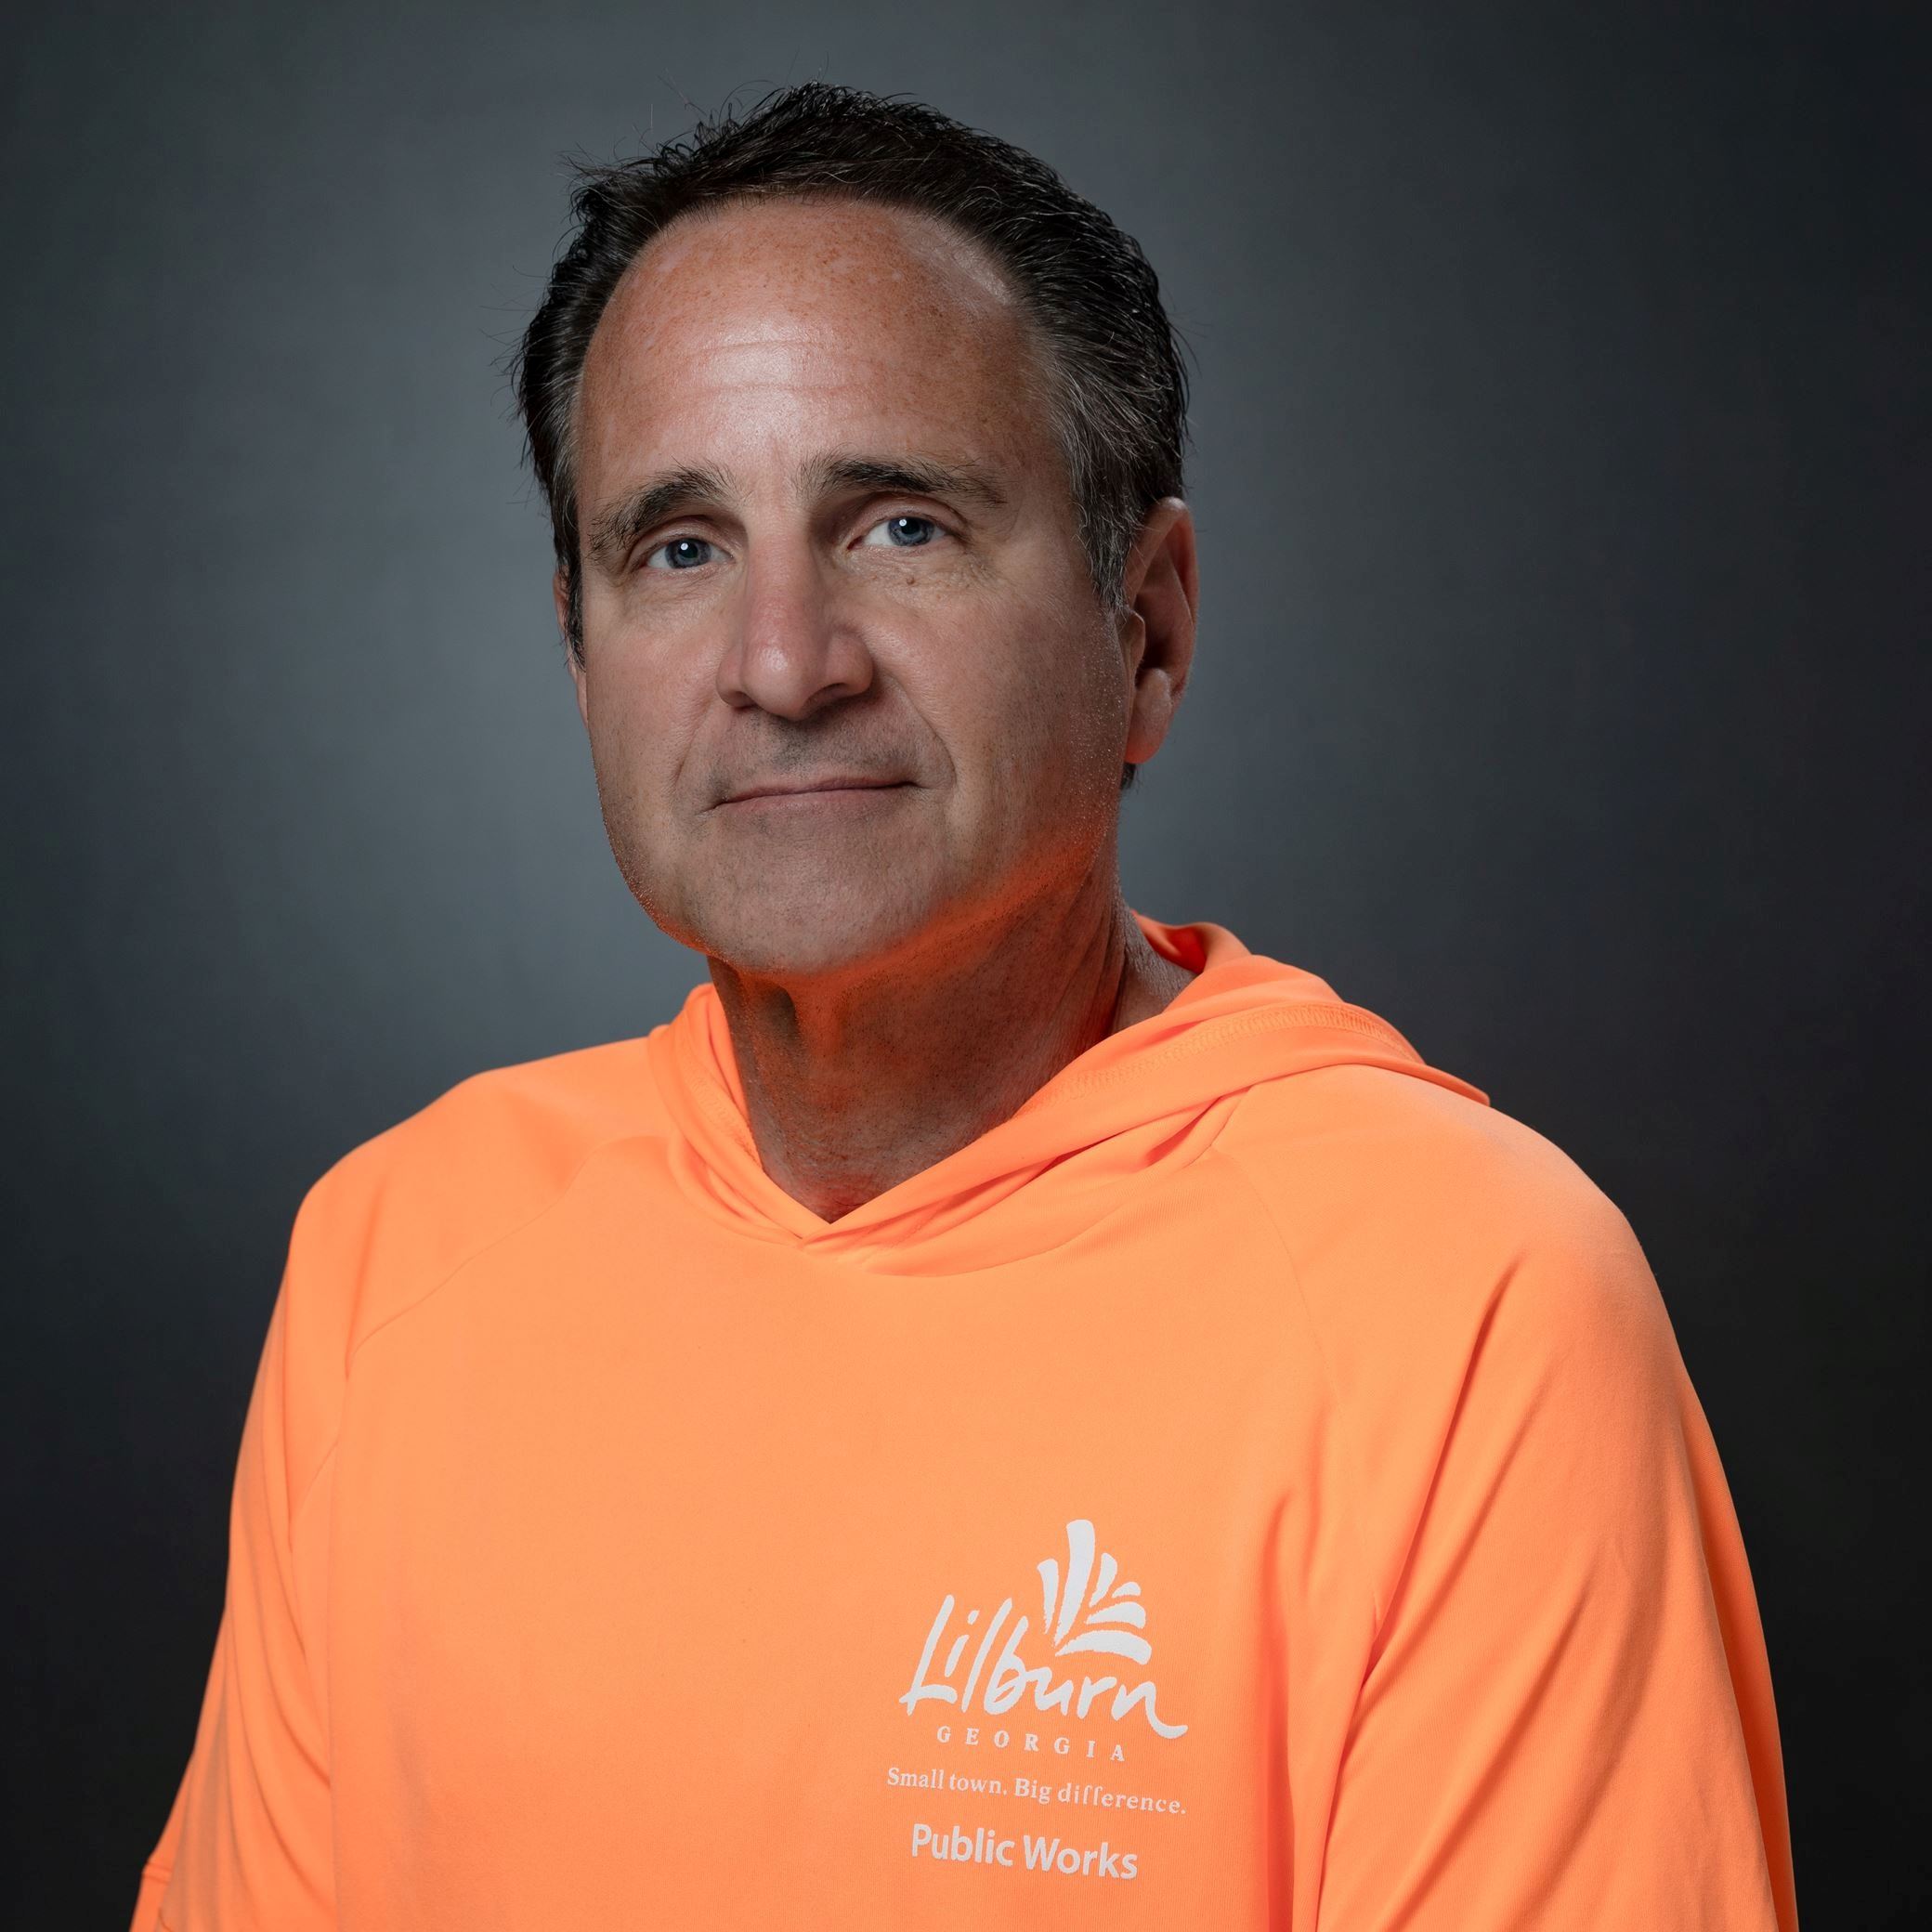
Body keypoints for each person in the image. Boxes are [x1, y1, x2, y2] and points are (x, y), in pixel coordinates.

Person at [129, 83, 1798, 1931]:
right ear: (578, 652)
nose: (784, 664)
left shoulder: (1465, 1308)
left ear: (1145, 628)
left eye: (902, 526)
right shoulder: (397, 1252)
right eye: (678, 548)